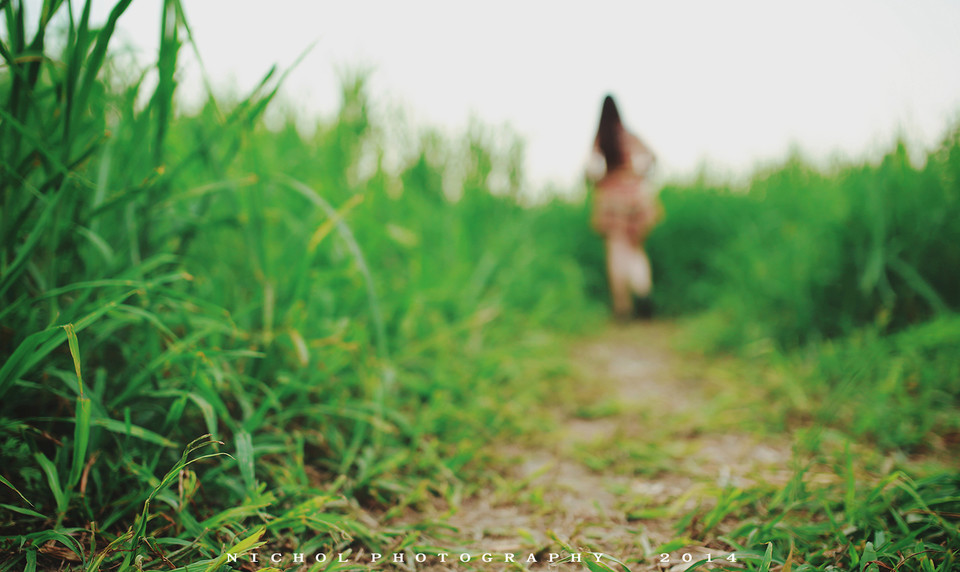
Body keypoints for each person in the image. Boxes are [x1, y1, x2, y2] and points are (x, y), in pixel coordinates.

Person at [586, 95, 660, 320]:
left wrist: (602, 180)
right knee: (636, 250)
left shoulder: (601, 139)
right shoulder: (628, 135)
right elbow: (652, 158)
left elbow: (590, 170)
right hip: (635, 197)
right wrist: (637, 176)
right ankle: (643, 291)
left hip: (611, 199)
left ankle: (622, 308)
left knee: (617, 252)